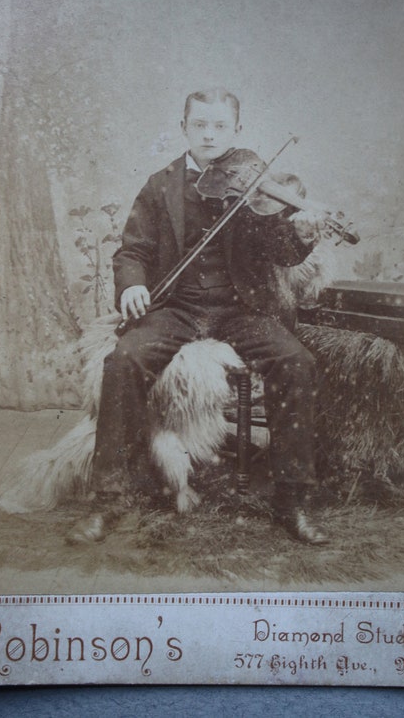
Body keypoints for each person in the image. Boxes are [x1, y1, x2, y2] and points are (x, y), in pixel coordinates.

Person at [68, 88, 328, 545]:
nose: (210, 134)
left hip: (240, 309)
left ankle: (293, 501)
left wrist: (303, 234)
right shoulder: (159, 185)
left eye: (220, 126)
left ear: (237, 131)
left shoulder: (254, 185)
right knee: (123, 360)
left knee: (297, 362)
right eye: (200, 124)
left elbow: (281, 252)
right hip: (178, 308)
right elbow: (133, 249)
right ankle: (109, 501)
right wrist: (132, 283)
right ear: (184, 126)